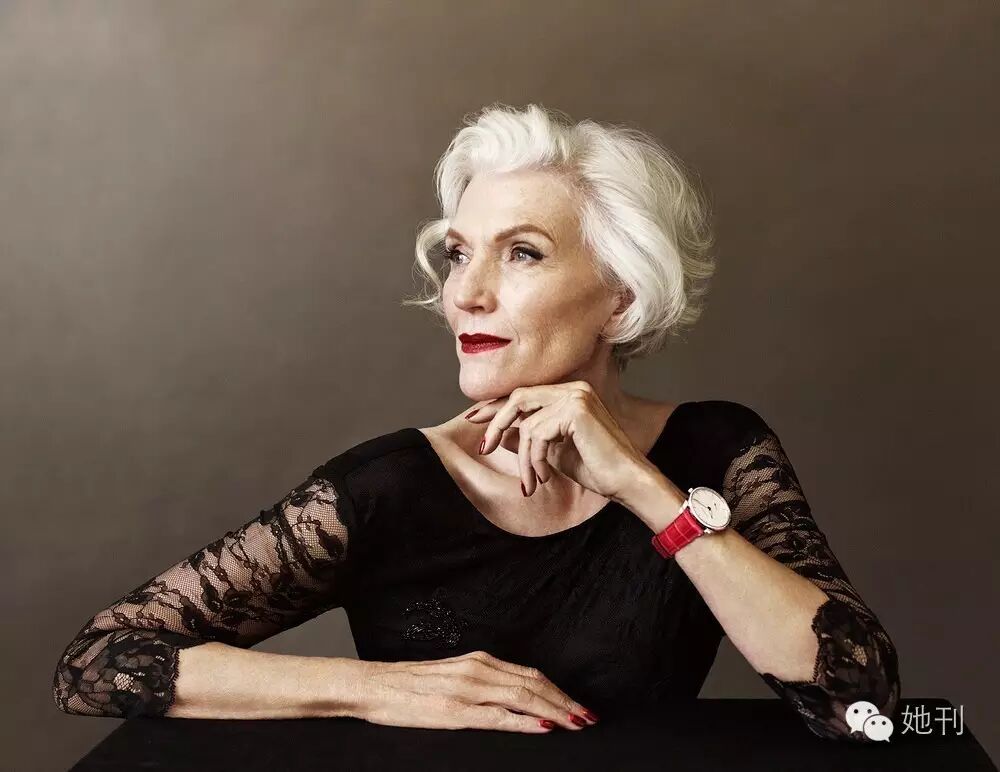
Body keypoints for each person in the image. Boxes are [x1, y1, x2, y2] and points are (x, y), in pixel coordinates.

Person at [52, 103, 900, 741]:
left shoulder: (717, 449)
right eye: (459, 253)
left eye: (521, 252)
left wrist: (644, 490)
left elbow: (860, 703)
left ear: (621, 299)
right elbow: (96, 660)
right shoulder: (388, 486)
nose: (466, 292)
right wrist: (379, 689)